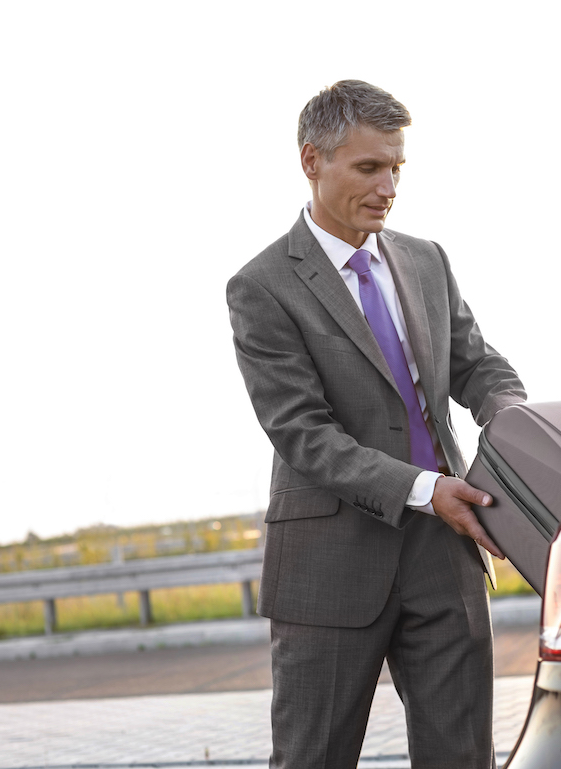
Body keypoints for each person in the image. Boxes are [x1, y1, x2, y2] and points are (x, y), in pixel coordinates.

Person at [226, 79, 526, 769]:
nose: (388, 185)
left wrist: (512, 427)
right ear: (312, 161)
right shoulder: (261, 286)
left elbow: (481, 367)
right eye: (369, 168)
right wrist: (424, 488)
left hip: (444, 554)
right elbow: (303, 433)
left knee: (462, 759)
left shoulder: (426, 259)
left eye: (396, 167)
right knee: (314, 758)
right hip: (330, 564)